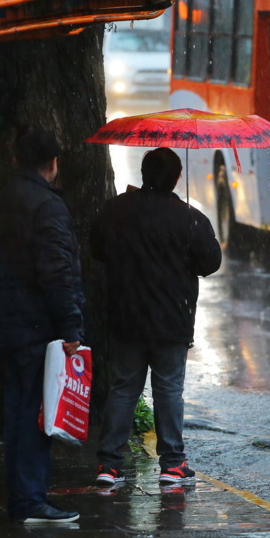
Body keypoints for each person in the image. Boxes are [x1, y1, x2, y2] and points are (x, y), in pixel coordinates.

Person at [90, 147, 222, 488]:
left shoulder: (117, 210)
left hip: (126, 317)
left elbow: (98, 249)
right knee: (168, 390)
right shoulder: (188, 217)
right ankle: (173, 465)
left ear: (144, 173)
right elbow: (210, 264)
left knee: (123, 388)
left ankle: (109, 464)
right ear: (177, 178)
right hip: (171, 321)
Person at [0, 127, 84, 524]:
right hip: (37, 326)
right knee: (34, 416)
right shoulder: (46, 206)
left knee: (19, 412)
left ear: (16, 160)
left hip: (9, 320)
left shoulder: (5, 198)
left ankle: (22, 497)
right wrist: (72, 328)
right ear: (54, 164)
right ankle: (29, 501)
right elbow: (57, 272)